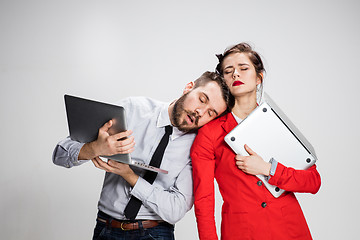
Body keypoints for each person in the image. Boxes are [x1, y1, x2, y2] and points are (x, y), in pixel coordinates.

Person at [53, 71, 234, 240]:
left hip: (156, 233)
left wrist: (130, 176)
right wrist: (95, 148)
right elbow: (59, 154)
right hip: (105, 228)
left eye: (211, 113)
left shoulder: (199, 146)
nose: (200, 112)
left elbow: (176, 209)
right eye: (202, 99)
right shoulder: (132, 109)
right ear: (189, 87)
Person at [190, 43, 321, 240]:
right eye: (228, 71)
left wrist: (268, 169)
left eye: (243, 68)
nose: (236, 74)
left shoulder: (277, 122)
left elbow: (313, 182)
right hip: (242, 231)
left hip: (289, 229)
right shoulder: (209, 134)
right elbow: (204, 201)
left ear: (259, 77)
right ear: (223, 81)